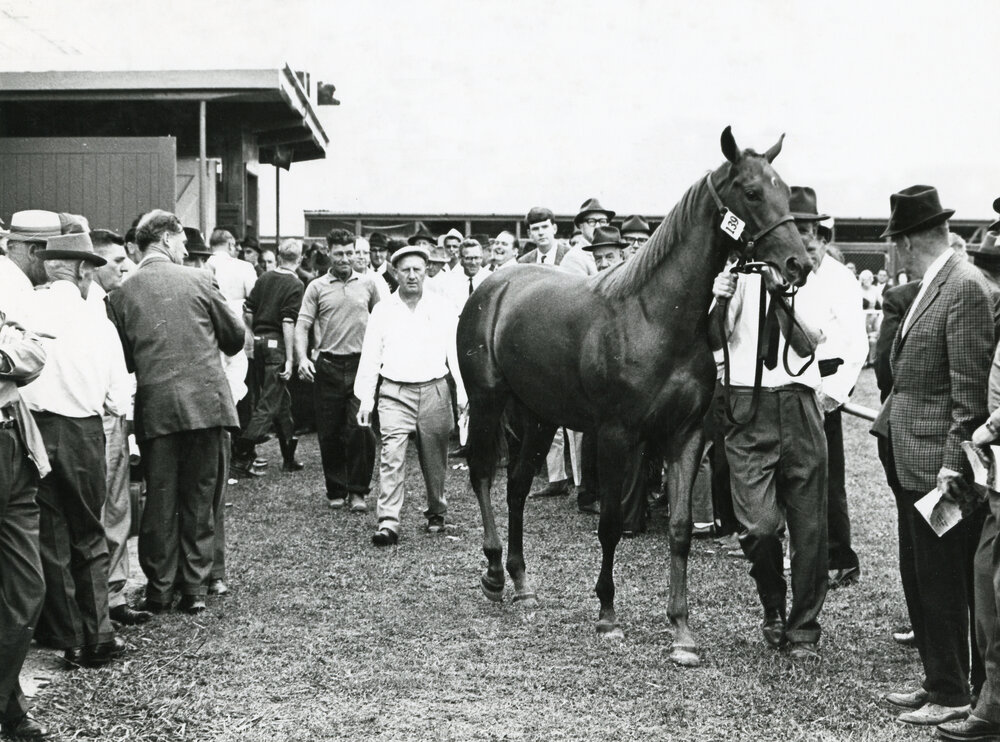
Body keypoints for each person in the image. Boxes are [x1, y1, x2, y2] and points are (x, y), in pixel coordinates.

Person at [872, 186, 994, 726]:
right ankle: (938, 681)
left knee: (942, 582)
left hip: (937, 469)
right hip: (913, 460)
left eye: (892, 242)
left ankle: (953, 693)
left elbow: (969, 394)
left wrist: (952, 465)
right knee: (924, 577)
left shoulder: (962, 286)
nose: (891, 251)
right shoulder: (937, 283)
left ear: (905, 241)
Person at [108, 210, 244, 615]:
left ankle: (160, 589)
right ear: (167, 239)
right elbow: (235, 338)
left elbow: (124, 360)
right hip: (206, 406)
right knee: (201, 495)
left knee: (160, 499)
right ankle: (195, 588)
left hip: (157, 409)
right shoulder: (200, 279)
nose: (186, 250)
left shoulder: (120, 294)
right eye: (182, 241)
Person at [710, 212, 830, 661]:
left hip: (798, 403)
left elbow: (807, 343)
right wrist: (720, 298)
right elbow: (715, 338)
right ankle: (773, 604)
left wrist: (780, 294)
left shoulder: (812, 278)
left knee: (809, 530)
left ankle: (804, 630)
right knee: (758, 527)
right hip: (748, 404)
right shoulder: (739, 273)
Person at [19, 232, 128, 666]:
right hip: (83, 430)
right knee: (88, 533)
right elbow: (118, 397)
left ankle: (70, 637)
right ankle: (99, 633)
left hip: (35, 430)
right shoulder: (96, 320)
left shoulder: (26, 309)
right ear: (82, 269)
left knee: (51, 536)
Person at [355, 244, 466, 545]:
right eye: (406, 270)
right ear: (395, 273)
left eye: (418, 269)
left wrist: (462, 393)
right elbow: (370, 356)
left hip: (434, 390)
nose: (412, 275)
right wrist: (366, 399)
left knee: (435, 459)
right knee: (391, 456)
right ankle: (388, 522)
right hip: (394, 392)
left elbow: (455, 353)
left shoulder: (442, 307)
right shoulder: (383, 310)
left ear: (427, 271)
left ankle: (436, 511)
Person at [789, 187, 867, 591]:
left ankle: (840, 558)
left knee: (828, 477)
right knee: (795, 476)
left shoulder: (841, 279)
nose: (802, 241)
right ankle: (803, 555)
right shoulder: (788, 274)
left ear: (821, 236)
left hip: (826, 384)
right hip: (791, 381)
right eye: (794, 230)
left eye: (807, 231)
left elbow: (857, 345)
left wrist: (832, 394)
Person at [87, 229, 152, 627]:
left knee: (116, 506)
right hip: (95, 416)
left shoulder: (107, 303)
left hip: (114, 415)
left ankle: (112, 595)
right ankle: (97, 599)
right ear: (91, 265)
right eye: (115, 262)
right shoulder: (84, 306)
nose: (125, 268)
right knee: (102, 506)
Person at [295, 228, 379, 512]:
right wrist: (302, 359)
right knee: (330, 432)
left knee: (361, 429)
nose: (345, 259)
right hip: (328, 366)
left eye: (349, 253)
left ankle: (358, 491)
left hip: (361, 366)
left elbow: (382, 322)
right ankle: (336, 489)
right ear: (328, 252)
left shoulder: (369, 284)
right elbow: (302, 325)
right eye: (339, 253)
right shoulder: (316, 287)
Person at [0, 304, 50, 740]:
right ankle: (11, 710)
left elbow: (34, 354)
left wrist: (5, 357)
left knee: (27, 589)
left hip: (15, 447)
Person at [236, 238, 307, 475]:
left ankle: (289, 458)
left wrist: (254, 333)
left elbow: (248, 311)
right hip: (277, 345)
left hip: (259, 342)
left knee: (281, 402)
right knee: (269, 401)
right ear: (300, 259)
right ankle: (241, 452)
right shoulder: (295, 284)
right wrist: (290, 359)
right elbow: (288, 322)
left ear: (278, 256)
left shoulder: (264, 278)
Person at [518, 208, 572, 498]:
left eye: (544, 227)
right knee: (545, 408)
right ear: (529, 233)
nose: (540, 233)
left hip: (570, 339)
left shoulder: (571, 257)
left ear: (554, 228)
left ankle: (581, 482)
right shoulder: (524, 263)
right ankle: (556, 477)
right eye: (535, 229)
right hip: (539, 343)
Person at [561, 197, 615, 276]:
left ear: (608, 224)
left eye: (602, 221)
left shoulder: (614, 251)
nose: (597, 226)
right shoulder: (574, 258)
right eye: (591, 221)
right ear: (581, 226)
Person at [446, 239, 491, 313]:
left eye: (477, 258)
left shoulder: (490, 279)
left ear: (482, 258)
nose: (473, 263)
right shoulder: (451, 281)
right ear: (460, 259)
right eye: (468, 258)